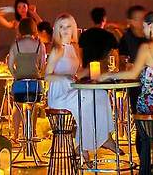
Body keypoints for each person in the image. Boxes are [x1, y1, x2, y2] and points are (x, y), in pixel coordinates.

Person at [100, 11, 153, 173]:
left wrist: (109, 75)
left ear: (151, 26)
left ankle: (146, 167)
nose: (143, 31)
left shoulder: (147, 47)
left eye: (144, 27)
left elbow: (133, 74)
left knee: (143, 130)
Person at [45, 14, 116, 158]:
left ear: (73, 28)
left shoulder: (74, 48)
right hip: (59, 96)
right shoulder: (57, 49)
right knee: (88, 97)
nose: (65, 30)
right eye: (61, 27)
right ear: (57, 29)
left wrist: (94, 68)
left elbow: (77, 73)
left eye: (68, 26)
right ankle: (84, 144)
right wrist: (63, 77)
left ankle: (104, 137)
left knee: (101, 93)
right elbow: (46, 76)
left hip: (72, 90)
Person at [8, 18, 46, 141]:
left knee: (17, 105)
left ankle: (15, 135)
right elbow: (42, 65)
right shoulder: (40, 45)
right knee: (34, 106)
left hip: (20, 82)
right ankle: (32, 132)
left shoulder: (16, 45)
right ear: (34, 29)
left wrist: (16, 75)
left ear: (20, 29)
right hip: (35, 84)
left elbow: (10, 65)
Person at [119, 5, 148, 112]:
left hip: (152, 81)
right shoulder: (126, 39)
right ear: (130, 21)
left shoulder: (150, 37)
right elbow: (123, 61)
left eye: (144, 18)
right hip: (135, 81)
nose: (142, 21)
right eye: (138, 19)